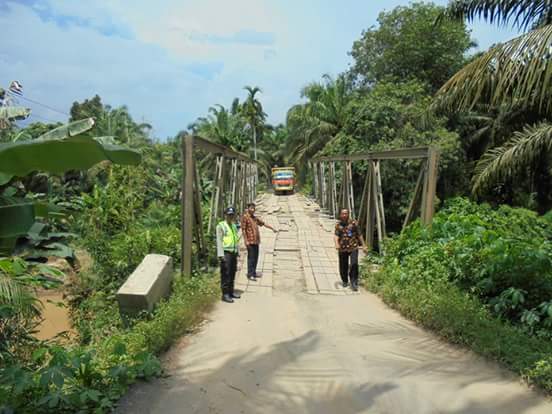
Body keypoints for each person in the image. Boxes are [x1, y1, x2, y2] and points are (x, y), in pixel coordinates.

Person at [240, 202, 277, 281]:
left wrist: (272, 228)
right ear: (248, 209)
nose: (253, 210)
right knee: (251, 258)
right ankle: (250, 274)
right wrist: (245, 241)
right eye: (251, 208)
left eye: (254, 208)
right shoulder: (245, 217)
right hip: (250, 241)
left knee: (256, 258)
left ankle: (254, 272)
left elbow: (263, 223)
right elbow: (243, 229)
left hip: (256, 241)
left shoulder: (254, 218)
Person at [334, 208, 366, 291]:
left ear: (348, 214)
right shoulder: (338, 225)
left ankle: (354, 282)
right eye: (343, 213)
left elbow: (359, 234)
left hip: (353, 247)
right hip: (342, 248)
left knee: (354, 264)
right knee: (343, 265)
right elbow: (336, 236)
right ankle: (345, 280)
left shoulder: (354, 223)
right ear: (340, 215)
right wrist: (337, 244)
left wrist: (364, 245)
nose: (344, 215)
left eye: (346, 213)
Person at [216, 207, 241, 303]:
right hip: (226, 253)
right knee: (226, 274)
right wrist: (221, 255)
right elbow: (219, 241)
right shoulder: (221, 226)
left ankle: (231, 292)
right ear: (225, 215)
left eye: (232, 215)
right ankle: (225, 294)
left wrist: (237, 251)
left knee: (232, 272)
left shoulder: (234, 226)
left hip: (233, 253)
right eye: (229, 215)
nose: (230, 217)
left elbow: (236, 239)